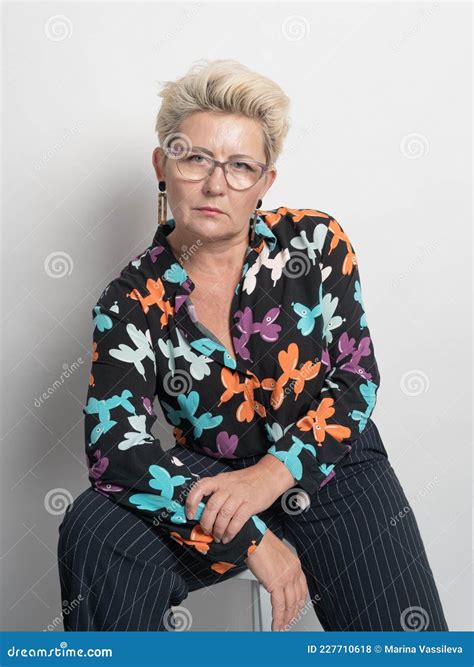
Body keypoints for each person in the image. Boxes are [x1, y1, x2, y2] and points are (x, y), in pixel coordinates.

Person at [57, 59, 448, 632]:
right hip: (211, 480)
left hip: (331, 463)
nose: (216, 184)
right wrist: (249, 536)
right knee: (92, 527)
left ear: (266, 181)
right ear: (162, 165)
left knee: (409, 647)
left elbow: (356, 380)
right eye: (195, 158)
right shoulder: (130, 300)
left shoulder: (315, 243)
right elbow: (114, 449)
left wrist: (271, 473)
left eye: (241, 166)